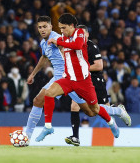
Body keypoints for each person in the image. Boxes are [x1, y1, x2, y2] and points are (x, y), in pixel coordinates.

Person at [23, 16, 120, 144]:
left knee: (91, 111)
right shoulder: (44, 42)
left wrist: (64, 52)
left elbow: (70, 50)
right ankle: (29, 136)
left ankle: (117, 111)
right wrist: (33, 74)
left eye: (45, 26)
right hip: (61, 78)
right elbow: (44, 57)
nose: (42, 30)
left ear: (51, 27)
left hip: (71, 77)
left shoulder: (58, 38)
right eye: (40, 27)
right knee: (39, 99)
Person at [65, 25, 131, 146]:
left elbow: (99, 66)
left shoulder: (92, 46)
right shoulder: (74, 47)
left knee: (100, 109)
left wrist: (81, 68)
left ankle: (118, 111)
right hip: (81, 81)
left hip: (95, 80)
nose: (81, 36)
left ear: (87, 34)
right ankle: (75, 137)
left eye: (83, 34)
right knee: (74, 105)